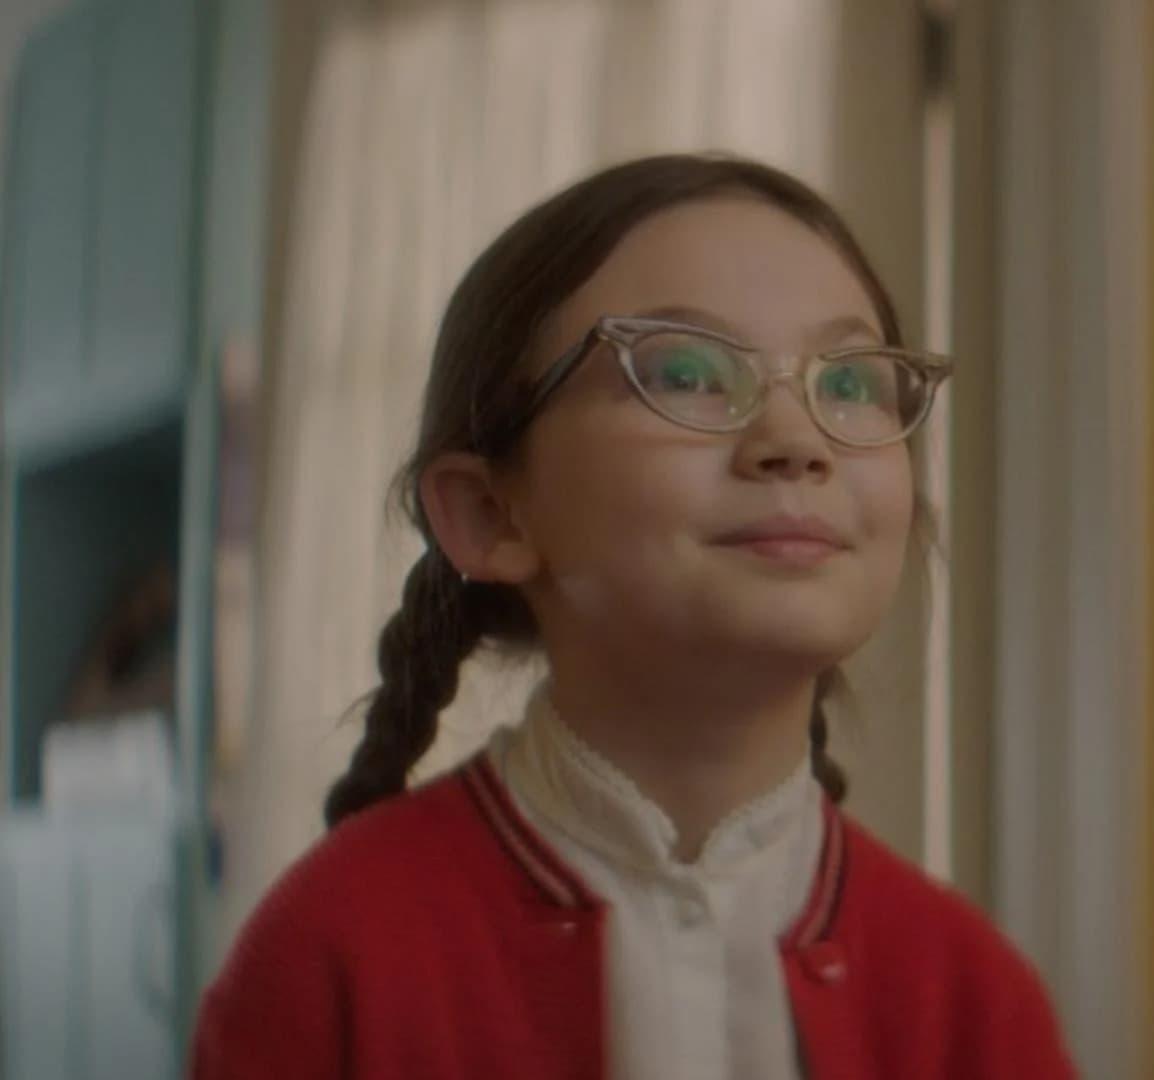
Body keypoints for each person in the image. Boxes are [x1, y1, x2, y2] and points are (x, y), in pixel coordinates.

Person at [191, 154, 1075, 1080]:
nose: (796, 443)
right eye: (686, 371)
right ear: (490, 514)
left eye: (851, 384)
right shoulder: (326, 959)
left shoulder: (974, 998)